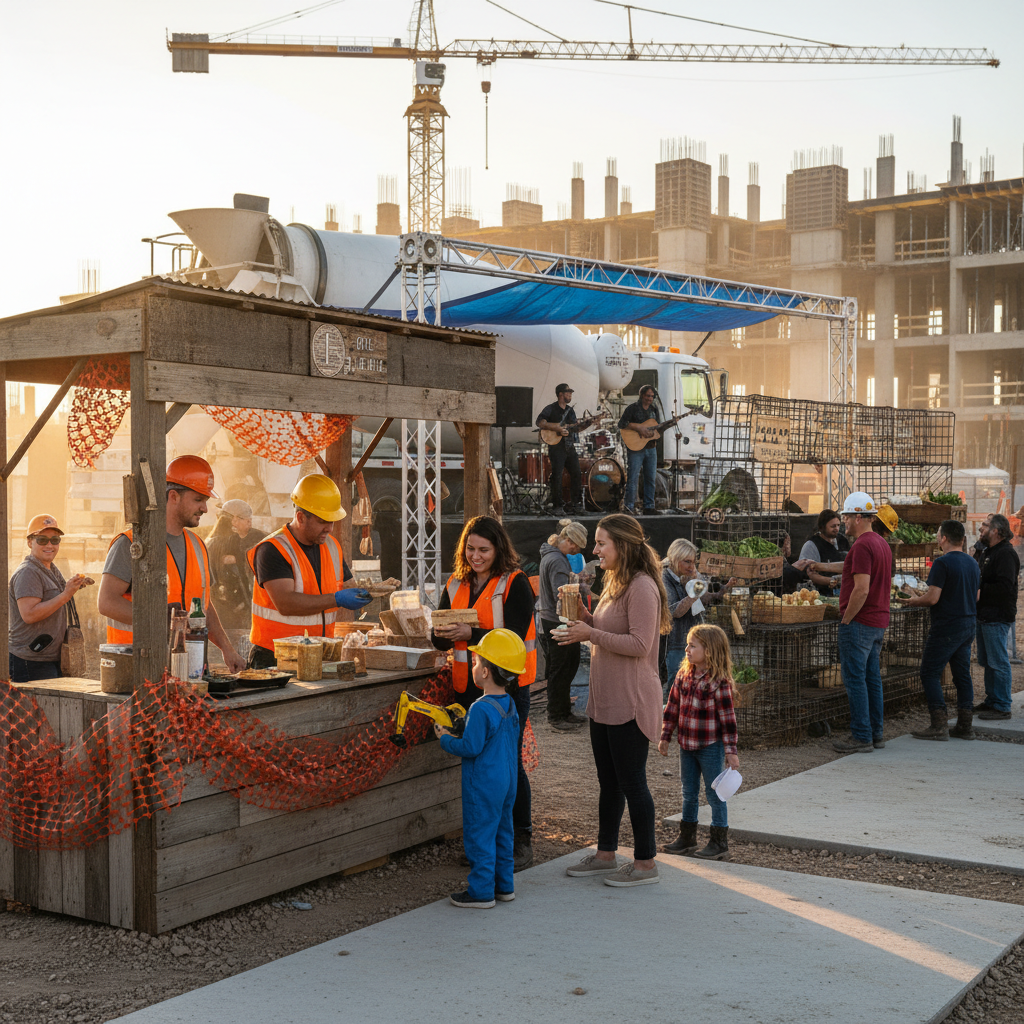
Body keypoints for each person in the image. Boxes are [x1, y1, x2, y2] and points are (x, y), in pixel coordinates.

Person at [559, 514, 671, 887]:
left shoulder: (641, 587)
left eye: (601, 542)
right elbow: (605, 632)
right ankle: (606, 854)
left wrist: (590, 631)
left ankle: (645, 864)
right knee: (609, 783)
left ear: (621, 546)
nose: (595, 549)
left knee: (632, 783)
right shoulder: (616, 583)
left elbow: (640, 644)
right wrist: (582, 617)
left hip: (631, 699)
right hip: (606, 699)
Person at [431, 515, 537, 870]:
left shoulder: (515, 583)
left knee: (508, 767)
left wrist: (467, 633)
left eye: (484, 550)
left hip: (508, 690)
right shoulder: (455, 582)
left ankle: (519, 839)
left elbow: (516, 636)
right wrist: (441, 631)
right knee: (477, 765)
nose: (476, 556)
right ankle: (484, 843)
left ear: (498, 549)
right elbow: (437, 632)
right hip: (467, 688)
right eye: (470, 549)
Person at [98, 456, 245, 672]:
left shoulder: (198, 545)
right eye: (198, 500)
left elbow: (204, 606)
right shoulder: (130, 543)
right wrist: (161, 619)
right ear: (174, 496)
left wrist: (227, 648)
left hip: (190, 668)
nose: (205, 508)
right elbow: (106, 602)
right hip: (138, 671)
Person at [435, 628, 524, 909]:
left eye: (476, 662)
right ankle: (504, 886)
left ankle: (481, 892)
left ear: (485, 672)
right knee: (503, 832)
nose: (474, 666)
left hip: (484, 784)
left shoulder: (480, 708)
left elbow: (470, 748)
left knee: (480, 835)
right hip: (508, 781)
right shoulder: (509, 704)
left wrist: (445, 738)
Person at [800, 493, 894, 754]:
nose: (843, 522)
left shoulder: (863, 545)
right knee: (871, 678)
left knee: (855, 680)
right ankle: (876, 733)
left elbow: (861, 589)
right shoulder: (878, 543)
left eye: (847, 517)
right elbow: (851, 565)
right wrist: (821, 566)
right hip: (877, 621)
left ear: (858, 517)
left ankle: (861, 735)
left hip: (860, 622)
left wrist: (846, 618)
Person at [246, 474, 370, 669]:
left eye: (332, 521)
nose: (329, 528)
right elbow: (286, 604)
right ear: (301, 517)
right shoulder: (273, 549)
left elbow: (348, 586)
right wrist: (337, 599)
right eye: (323, 521)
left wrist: (365, 593)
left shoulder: (332, 546)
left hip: (319, 655)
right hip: (275, 660)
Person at [659, 623, 739, 860]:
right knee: (689, 791)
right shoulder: (683, 675)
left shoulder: (719, 681)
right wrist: (666, 735)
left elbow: (728, 719)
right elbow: (672, 707)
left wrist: (730, 750)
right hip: (686, 745)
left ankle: (718, 841)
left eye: (692, 646)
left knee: (715, 793)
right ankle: (687, 837)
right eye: (687, 645)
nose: (687, 649)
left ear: (710, 650)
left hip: (709, 747)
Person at [898, 519, 980, 740]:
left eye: (937, 534)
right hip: (968, 622)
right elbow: (977, 596)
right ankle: (965, 725)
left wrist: (913, 601)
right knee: (962, 675)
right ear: (962, 539)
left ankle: (939, 724)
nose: (936, 537)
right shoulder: (972, 563)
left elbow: (933, 598)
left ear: (943, 538)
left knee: (929, 672)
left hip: (947, 625)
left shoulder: (942, 563)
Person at [9, 514, 94, 682]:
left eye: (55, 540)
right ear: (29, 542)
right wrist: (66, 594)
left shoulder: (50, 569)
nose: (49, 545)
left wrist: (74, 585)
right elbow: (29, 614)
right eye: (42, 540)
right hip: (30, 661)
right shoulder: (28, 572)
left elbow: (54, 598)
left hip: (48, 658)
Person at [662, 538, 738, 697]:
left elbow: (703, 599)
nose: (691, 566)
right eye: (687, 562)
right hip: (675, 643)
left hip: (692, 641)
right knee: (676, 689)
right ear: (675, 560)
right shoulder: (665, 579)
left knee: (691, 687)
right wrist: (694, 592)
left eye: (693, 562)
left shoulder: (684, 576)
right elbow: (674, 612)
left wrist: (723, 590)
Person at [537, 519, 589, 730]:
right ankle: (557, 715)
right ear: (566, 540)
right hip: (559, 620)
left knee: (564, 668)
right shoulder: (558, 560)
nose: (576, 550)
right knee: (562, 669)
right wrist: (581, 586)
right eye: (575, 545)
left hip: (551, 618)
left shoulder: (551, 556)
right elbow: (562, 593)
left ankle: (563, 712)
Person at [972, 512, 1019, 720]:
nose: (981, 528)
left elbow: (1005, 586)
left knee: (998, 661)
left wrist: (981, 592)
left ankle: (1002, 705)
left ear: (996, 531)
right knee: (988, 660)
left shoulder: (1006, 554)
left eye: (985, 525)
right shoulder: (988, 551)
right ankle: (992, 699)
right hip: (985, 615)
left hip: (997, 616)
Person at [535, 383, 583, 515]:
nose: (570, 395)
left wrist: (584, 424)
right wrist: (556, 428)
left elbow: (575, 427)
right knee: (557, 475)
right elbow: (540, 422)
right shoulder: (551, 409)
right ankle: (557, 506)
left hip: (569, 446)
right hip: (557, 447)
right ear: (561, 394)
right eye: (568, 393)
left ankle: (576, 504)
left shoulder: (571, 410)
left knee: (576, 473)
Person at [619, 385, 659, 516]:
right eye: (648, 396)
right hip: (636, 448)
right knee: (633, 477)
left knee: (650, 478)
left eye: (652, 396)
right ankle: (629, 506)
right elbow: (622, 424)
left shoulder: (654, 409)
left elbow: (657, 427)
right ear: (642, 395)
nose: (650, 398)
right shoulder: (632, 408)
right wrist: (639, 428)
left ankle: (649, 506)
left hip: (651, 448)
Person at [798, 509, 850, 594]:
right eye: (833, 526)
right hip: (822, 592)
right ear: (822, 527)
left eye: (838, 525)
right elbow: (809, 574)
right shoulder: (811, 545)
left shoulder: (843, 541)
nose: (836, 529)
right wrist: (832, 581)